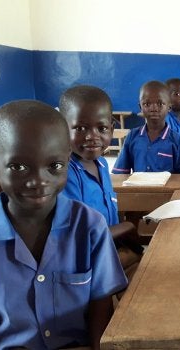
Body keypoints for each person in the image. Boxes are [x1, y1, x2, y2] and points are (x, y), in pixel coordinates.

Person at [0, 100, 127, 350]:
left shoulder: (90, 227)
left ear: (68, 160)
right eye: (19, 167)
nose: (38, 181)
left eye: (54, 166)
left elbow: (101, 305)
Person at [59, 85, 143, 279]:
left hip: (109, 247)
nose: (92, 136)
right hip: (85, 259)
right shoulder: (66, 173)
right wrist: (127, 228)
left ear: (112, 130)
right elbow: (79, 236)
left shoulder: (102, 164)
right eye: (80, 128)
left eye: (102, 128)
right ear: (62, 129)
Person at [112, 80, 180, 174]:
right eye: (147, 104)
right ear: (140, 107)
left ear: (169, 107)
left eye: (160, 104)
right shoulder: (132, 137)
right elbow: (120, 173)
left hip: (168, 189)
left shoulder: (178, 141)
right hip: (138, 188)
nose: (154, 108)